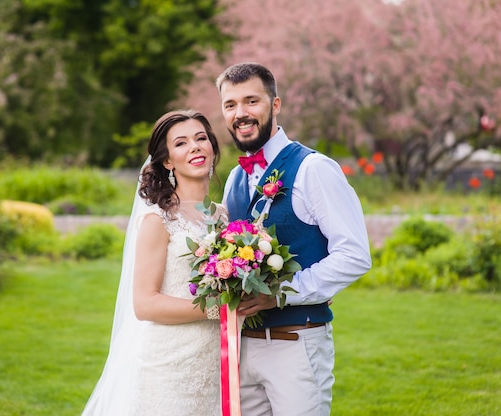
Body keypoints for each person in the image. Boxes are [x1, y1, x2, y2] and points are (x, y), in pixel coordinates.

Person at [217, 62, 372, 416]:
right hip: (241, 348)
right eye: (230, 104)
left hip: (295, 345)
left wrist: (279, 294)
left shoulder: (313, 169)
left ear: (275, 105)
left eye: (251, 101)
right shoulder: (233, 179)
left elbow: (354, 255)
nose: (240, 113)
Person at [80, 109, 227, 416]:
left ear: (213, 147)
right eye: (182, 143)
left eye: (201, 138)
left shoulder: (224, 216)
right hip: (167, 363)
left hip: (216, 363)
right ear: (167, 160)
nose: (196, 147)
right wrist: (220, 308)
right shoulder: (157, 220)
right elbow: (145, 304)